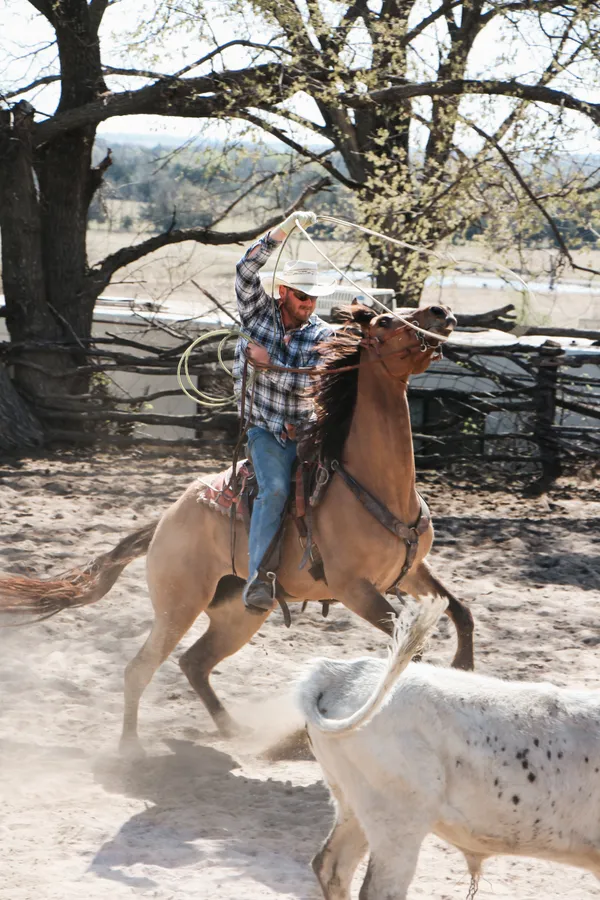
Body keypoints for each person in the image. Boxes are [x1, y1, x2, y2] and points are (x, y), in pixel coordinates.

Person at [233, 210, 335, 613]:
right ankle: (259, 577)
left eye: (313, 297)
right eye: (301, 295)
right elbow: (246, 267)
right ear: (283, 292)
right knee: (274, 489)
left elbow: (310, 384)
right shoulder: (257, 313)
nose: (308, 304)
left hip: (309, 432)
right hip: (265, 431)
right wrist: (286, 228)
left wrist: (266, 366)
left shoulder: (323, 335)